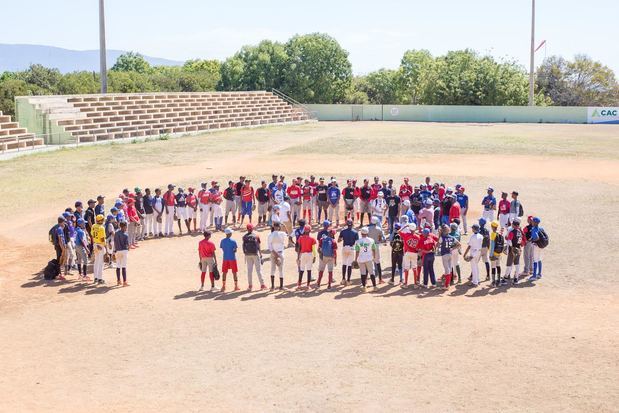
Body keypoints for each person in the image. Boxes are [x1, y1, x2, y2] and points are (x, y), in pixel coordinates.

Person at [242, 224, 266, 291]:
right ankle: (262, 285)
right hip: (255, 254)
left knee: (249, 271)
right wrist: (260, 254)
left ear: (247, 229)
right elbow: (258, 246)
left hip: (247, 254)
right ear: (252, 229)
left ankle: (250, 286)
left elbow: (243, 245)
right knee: (258, 270)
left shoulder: (244, 237)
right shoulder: (256, 236)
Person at [354, 227, 377, 292]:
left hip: (361, 259)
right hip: (369, 258)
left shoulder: (358, 241)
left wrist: (355, 260)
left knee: (363, 273)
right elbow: (373, 249)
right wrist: (374, 257)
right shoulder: (371, 240)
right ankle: (374, 287)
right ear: (367, 233)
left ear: (361, 233)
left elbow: (357, 251)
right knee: (372, 273)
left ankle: (364, 287)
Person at [438, 224, 460, 289]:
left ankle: (446, 285)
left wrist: (439, 235)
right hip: (450, 254)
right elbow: (459, 244)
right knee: (450, 269)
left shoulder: (442, 237)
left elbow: (438, 244)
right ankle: (448, 284)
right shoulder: (452, 237)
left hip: (444, 255)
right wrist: (452, 248)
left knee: (447, 270)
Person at [337, 219, 359, 285]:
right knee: (349, 265)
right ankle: (348, 280)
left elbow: (339, 240)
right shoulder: (355, 232)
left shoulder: (343, 231)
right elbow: (357, 243)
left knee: (344, 264)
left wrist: (343, 237)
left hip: (344, 248)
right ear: (352, 224)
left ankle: (343, 279)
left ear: (346, 224)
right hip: (351, 248)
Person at [267, 222, 288, 290]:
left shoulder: (270, 235)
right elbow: (287, 233)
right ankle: (281, 286)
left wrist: (275, 254)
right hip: (280, 253)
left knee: (272, 269)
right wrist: (284, 227)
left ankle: (272, 286)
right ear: (279, 227)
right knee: (281, 270)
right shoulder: (282, 234)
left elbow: (269, 247)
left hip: (273, 253)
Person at [296, 224, 316, 290]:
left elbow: (299, 248)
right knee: (309, 270)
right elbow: (314, 249)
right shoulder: (312, 239)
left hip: (303, 254)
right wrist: (315, 256)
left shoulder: (300, 238)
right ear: (310, 231)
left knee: (301, 270)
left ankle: (299, 285)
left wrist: (298, 257)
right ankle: (308, 285)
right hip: (310, 254)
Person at [505, 218, 525, 285]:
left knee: (509, 264)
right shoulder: (520, 232)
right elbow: (521, 242)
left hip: (512, 250)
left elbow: (510, 242)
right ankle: (516, 279)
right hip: (518, 249)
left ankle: (505, 278)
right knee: (517, 264)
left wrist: (509, 245)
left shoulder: (512, 232)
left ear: (514, 225)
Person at [219, 227, 239, 292]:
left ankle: (223, 286)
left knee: (224, 272)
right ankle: (236, 286)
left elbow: (222, 248)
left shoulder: (222, 241)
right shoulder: (233, 241)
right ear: (230, 234)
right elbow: (235, 250)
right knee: (234, 272)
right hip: (232, 258)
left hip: (225, 258)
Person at [367, 216, 386, 283]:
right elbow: (380, 239)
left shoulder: (367, 229)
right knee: (377, 263)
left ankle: (366, 280)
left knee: (368, 262)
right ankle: (380, 279)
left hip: (369, 246)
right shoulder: (379, 229)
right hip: (376, 246)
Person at [113, 221, 130, 286]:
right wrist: (128, 247)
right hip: (124, 251)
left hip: (117, 251)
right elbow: (127, 245)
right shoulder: (126, 234)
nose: (126, 228)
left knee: (118, 266)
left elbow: (115, 241)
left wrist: (114, 251)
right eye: (126, 226)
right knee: (124, 266)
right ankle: (124, 282)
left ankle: (118, 281)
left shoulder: (116, 233)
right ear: (124, 226)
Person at [488, 221, 505, 286]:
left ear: (492, 227)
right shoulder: (499, 234)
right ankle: (499, 281)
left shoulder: (493, 234)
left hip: (494, 253)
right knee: (498, 266)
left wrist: (491, 255)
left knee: (493, 267)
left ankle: (493, 282)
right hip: (499, 253)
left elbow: (492, 245)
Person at [91, 214, 107, 284]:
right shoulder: (101, 228)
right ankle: (100, 278)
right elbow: (102, 239)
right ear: (101, 220)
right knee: (100, 262)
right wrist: (104, 247)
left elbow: (92, 235)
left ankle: (95, 278)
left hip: (95, 244)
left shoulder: (93, 226)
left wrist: (95, 244)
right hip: (100, 245)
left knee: (96, 262)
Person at [529, 217, 545, 281]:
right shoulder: (541, 229)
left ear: (535, 223)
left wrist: (532, 239)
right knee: (539, 259)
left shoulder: (533, 229)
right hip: (541, 246)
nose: (531, 222)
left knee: (535, 260)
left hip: (536, 246)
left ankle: (534, 275)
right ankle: (539, 274)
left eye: (532, 221)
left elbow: (537, 238)